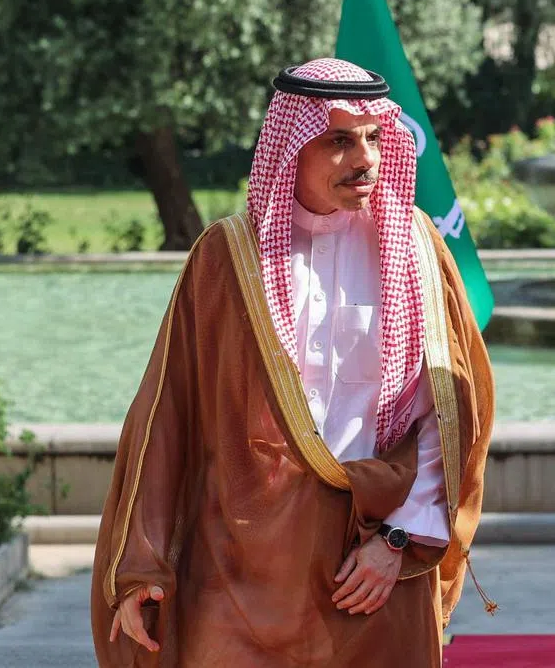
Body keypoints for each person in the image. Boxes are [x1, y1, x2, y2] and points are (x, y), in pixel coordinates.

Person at [90, 58, 496, 667]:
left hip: (371, 565)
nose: (364, 159)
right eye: (338, 141)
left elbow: (448, 414)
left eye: (374, 138)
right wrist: (143, 563)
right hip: (239, 569)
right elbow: (167, 414)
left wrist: (398, 539)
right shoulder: (226, 260)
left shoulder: (414, 248)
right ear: (290, 149)